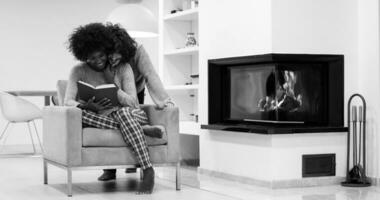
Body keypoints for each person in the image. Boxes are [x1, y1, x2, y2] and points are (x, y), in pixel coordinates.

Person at [64, 23, 156, 194]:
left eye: (101, 56)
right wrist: (86, 105)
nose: (98, 61)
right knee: (82, 114)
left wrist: (114, 88)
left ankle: (148, 170)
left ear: (106, 50)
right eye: (92, 59)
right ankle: (142, 130)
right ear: (84, 57)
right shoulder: (78, 71)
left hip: (130, 114)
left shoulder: (122, 67)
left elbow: (134, 103)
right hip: (101, 118)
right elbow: (68, 101)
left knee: (122, 113)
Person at [97, 23, 175, 182]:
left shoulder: (137, 50)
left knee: (130, 120)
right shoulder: (105, 56)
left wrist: (164, 101)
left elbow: (150, 75)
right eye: (109, 54)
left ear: (124, 49)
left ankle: (134, 163)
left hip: (134, 90)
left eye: (115, 54)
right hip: (111, 90)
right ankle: (109, 169)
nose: (112, 58)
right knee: (116, 124)